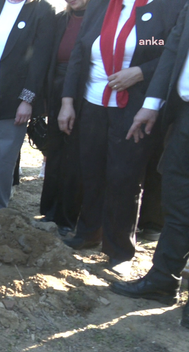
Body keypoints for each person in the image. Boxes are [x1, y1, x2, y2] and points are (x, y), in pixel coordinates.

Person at [58, 0, 185, 275]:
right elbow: (80, 53)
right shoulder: (100, 5)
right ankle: (89, 231)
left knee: (124, 177)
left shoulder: (169, 7)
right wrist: (67, 101)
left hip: (135, 106)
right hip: (92, 103)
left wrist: (140, 72)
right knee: (90, 170)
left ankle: (119, 250)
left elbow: (171, 56)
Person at [109, 2, 189, 328]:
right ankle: (163, 280)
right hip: (183, 115)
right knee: (177, 197)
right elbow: (173, 49)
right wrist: (152, 104)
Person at [0, 0, 55, 214]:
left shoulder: (42, 10)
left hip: (15, 99)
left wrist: (27, 99)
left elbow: (40, 60)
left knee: (4, 153)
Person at [38, 0, 88, 236]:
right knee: (55, 151)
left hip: (83, 91)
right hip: (56, 88)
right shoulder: (60, 19)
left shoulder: (98, 18)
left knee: (74, 155)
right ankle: (50, 210)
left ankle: (68, 216)